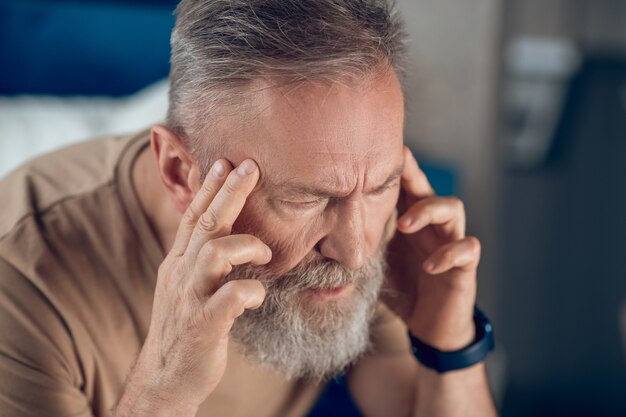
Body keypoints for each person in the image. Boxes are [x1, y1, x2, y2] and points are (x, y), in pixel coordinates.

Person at [0, 0, 498, 416]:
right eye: (305, 198)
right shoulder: (20, 281)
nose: (354, 251)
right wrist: (165, 387)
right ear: (178, 171)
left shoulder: (369, 226)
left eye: (381, 185)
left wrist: (448, 343)